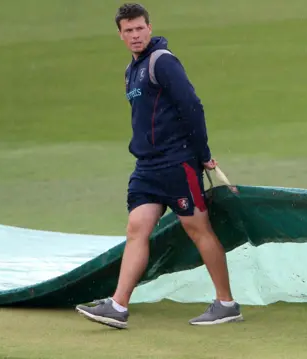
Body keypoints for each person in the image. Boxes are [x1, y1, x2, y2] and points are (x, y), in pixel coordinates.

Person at [75, 3, 243, 329]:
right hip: (147, 168)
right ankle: (118, 306)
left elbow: (192, 105)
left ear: (149, 28)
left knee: (198, 229)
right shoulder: (130, 71)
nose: (135, 35)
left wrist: (202, 153)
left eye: (140, 28)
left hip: (177, 163)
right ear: (121, 35)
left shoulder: (161, 62)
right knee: (136, 229)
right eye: (128, 30)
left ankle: (227, 303)